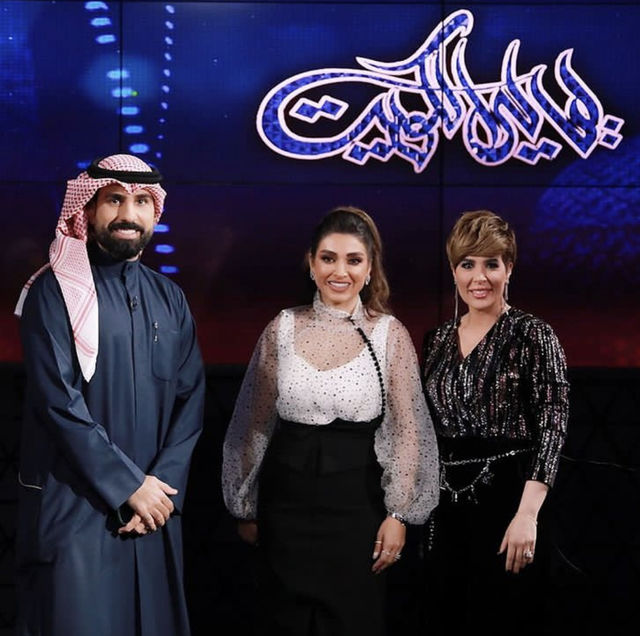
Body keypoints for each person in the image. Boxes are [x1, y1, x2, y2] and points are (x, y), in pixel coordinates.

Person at [222, 206, 439, 636]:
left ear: (370, 268)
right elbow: (253, 425)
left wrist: (398, 514)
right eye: (328, 258)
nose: (340, 271)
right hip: (284, 509)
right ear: (311, 262)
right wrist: (244, 505)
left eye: (353, 260)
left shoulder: (389, 334)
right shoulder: (282, 327)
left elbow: (407, 432)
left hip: (358, 510)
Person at [15, 154, 205, 636]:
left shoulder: (170, 298)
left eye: (141, 202)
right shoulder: (54, 293)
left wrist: (158, 489)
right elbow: (59, 403)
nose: (128, 214)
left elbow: (190, 401)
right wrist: (128, 487)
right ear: (88, 209)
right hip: (77, 509)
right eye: (114, 200)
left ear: (155, 213)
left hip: (154, 513)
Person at [420, 210, 570, 635]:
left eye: (491, 264)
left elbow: (553, 428)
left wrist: (527, 515)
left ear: (509, 269)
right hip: (445, 506)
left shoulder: (534, 335)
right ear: (454, 271)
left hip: (510, 500)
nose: (479, 277)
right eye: (467, 264)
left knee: (502, 616)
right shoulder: (437, 340)